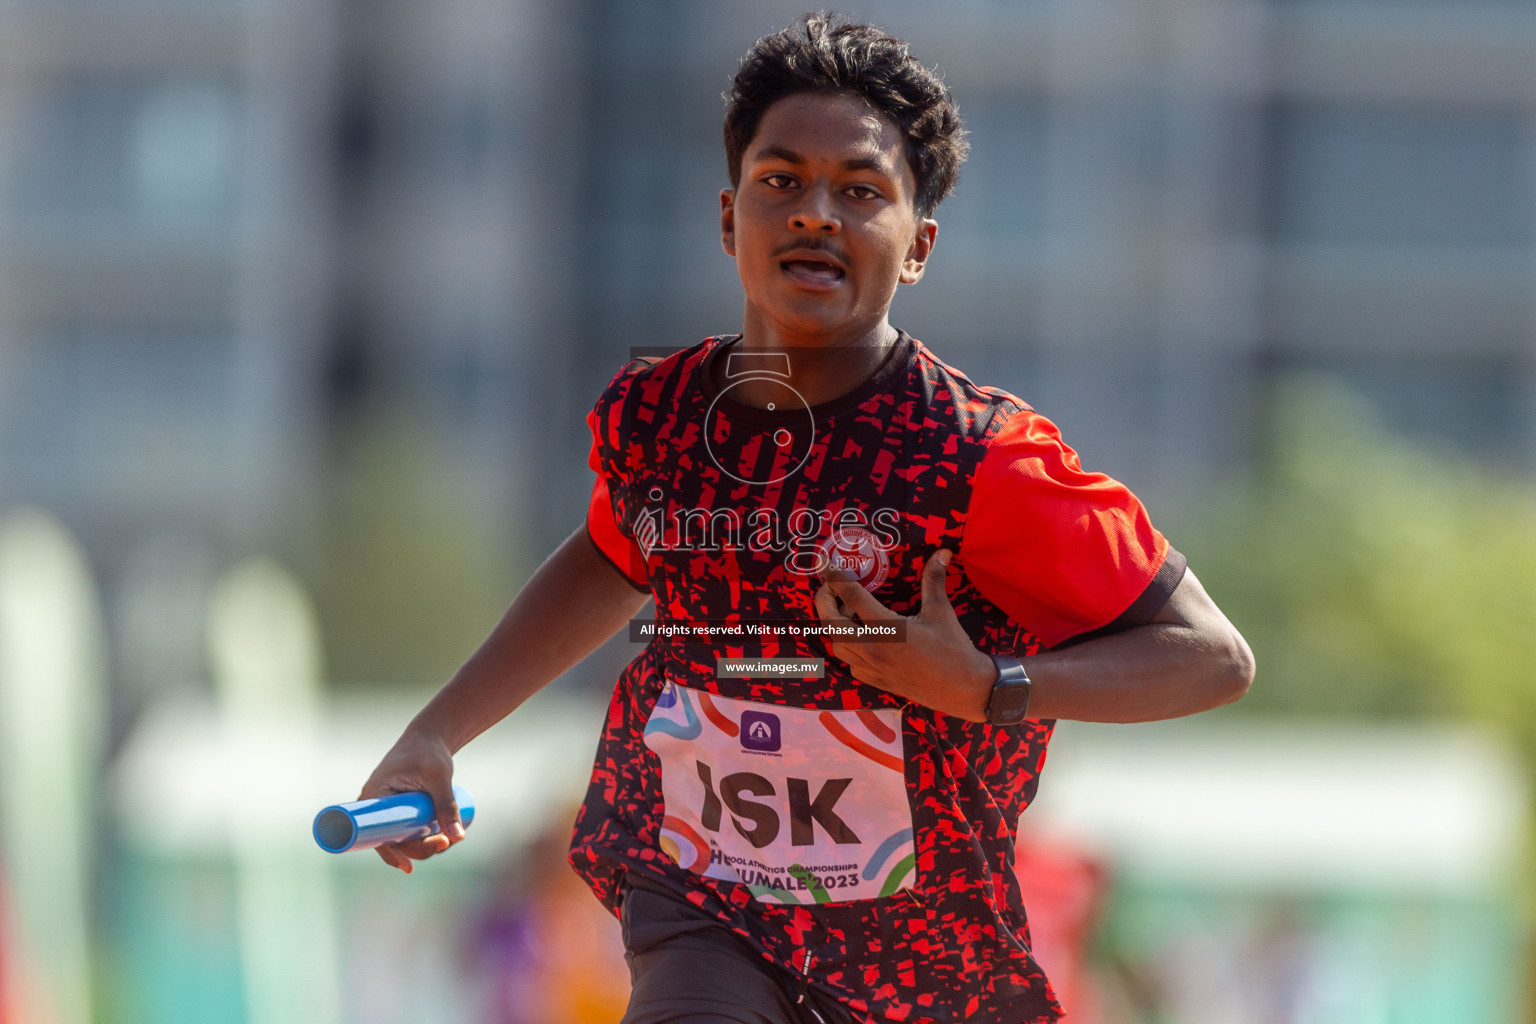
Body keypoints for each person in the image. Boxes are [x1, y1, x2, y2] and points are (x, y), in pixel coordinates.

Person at [358, 14, 1255, 1024]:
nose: (816, 213)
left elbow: (1212, 657)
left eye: (860, 191)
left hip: (918, 955)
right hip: (707, 897)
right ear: (729, 216)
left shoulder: (979, 457)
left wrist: (986, 685)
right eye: (781, 180)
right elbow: (612, 556)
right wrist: (437, 733)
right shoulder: (660, 419)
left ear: (917, 246)